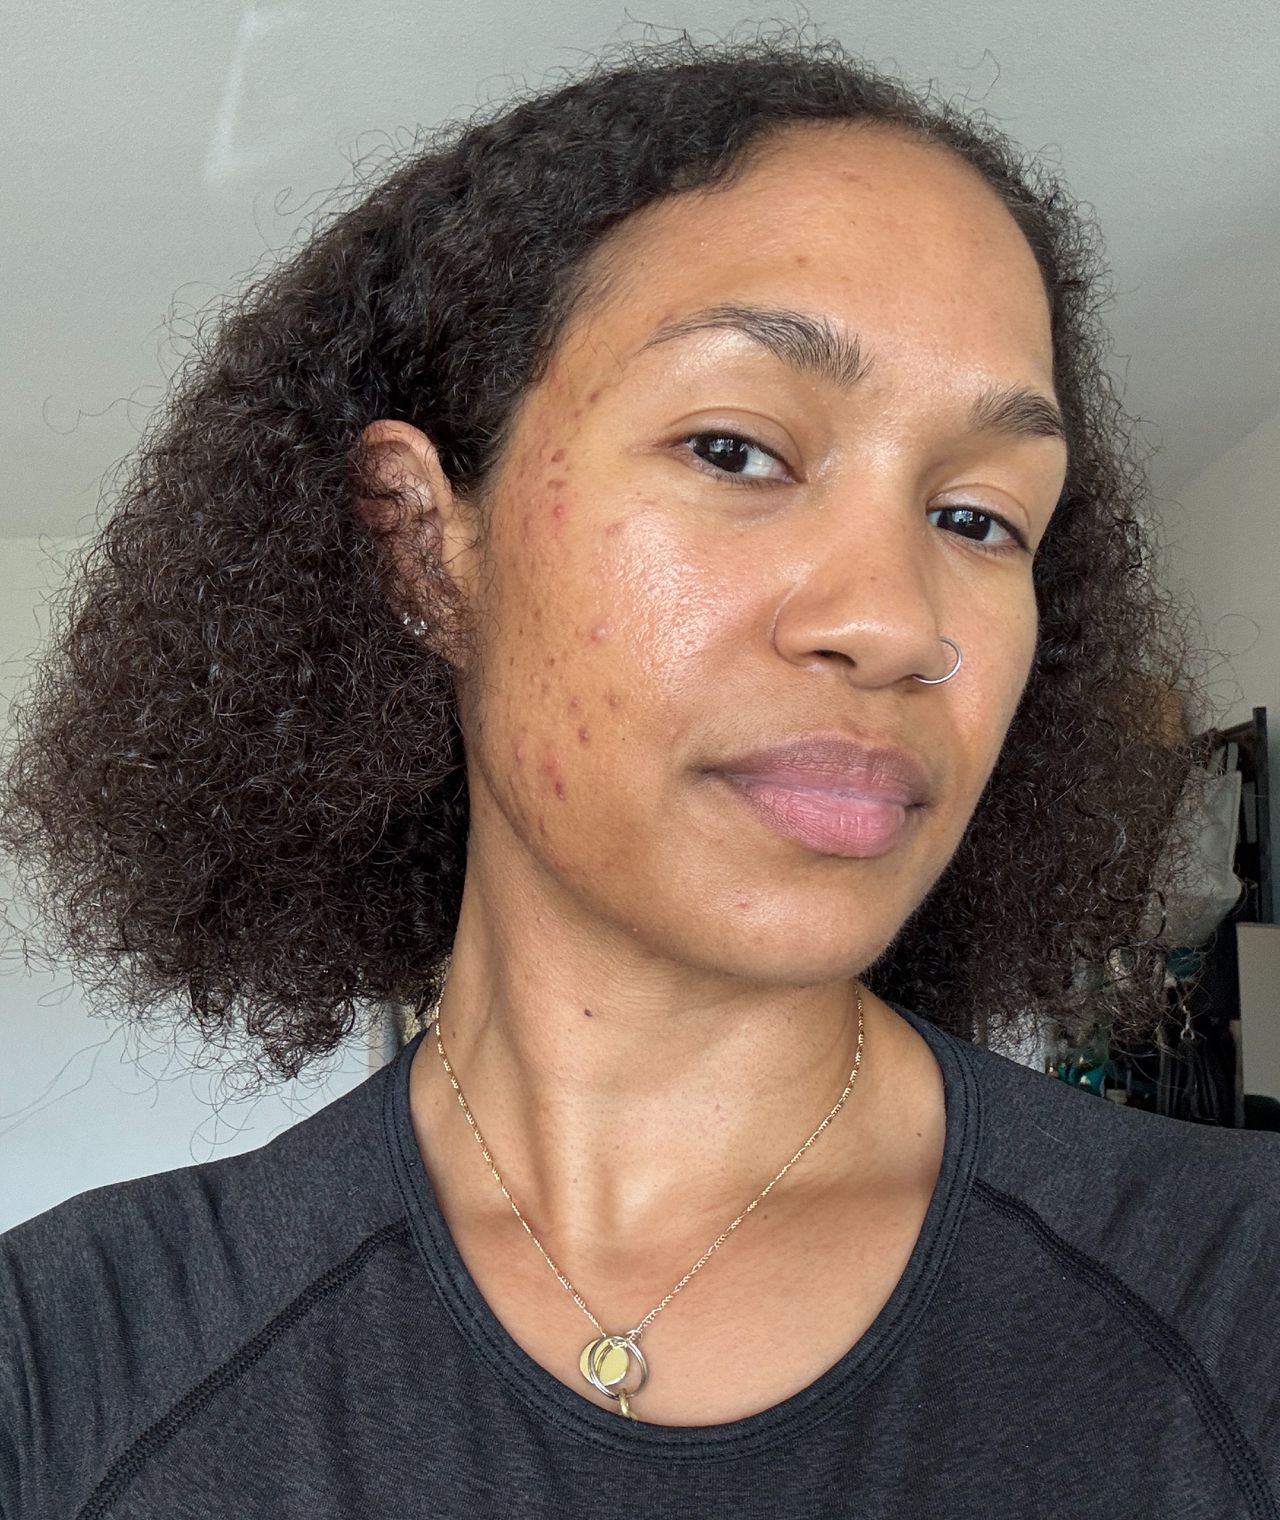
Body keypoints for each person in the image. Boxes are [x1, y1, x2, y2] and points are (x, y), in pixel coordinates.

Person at [1, 26, 1277, 1518]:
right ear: (423, 546)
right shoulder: (64, 1374)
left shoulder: (1241, 1308)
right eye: (735, 448)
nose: (896, 623)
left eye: (979, 518)